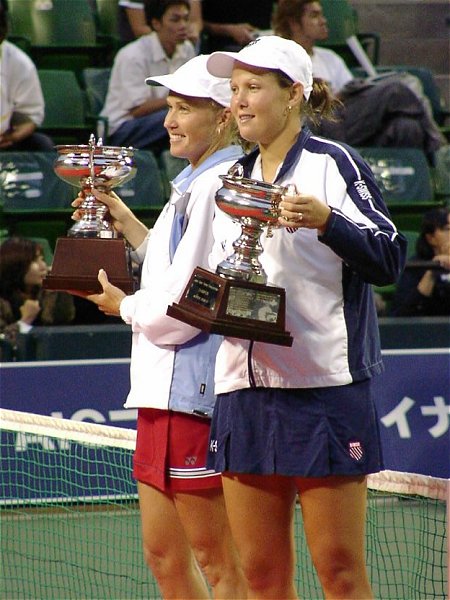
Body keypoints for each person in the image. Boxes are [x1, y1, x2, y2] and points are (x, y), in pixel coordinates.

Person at [205, 35, 407, 598]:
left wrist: (327, 222)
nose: (239, 100)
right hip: (243, 391)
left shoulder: (334, 164)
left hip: (324, 390)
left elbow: (390, 257)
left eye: (253, 87)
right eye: (235, 89)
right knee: (261, 576)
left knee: (339, 573)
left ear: (293, 94)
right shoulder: (231, 178)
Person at [72, 55, 246, 598]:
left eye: (184, 109)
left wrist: (124, 306)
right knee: (164, 556)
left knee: (219, 563)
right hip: (158, 396)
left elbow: (188, 304)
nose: (169, 121)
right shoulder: (191, 184)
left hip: (193, 397)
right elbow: (172, 269)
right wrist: (125, 221)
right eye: (169, 107)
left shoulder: (221, 187)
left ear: (223, 116)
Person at [272, 0, 444, 164]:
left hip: (347, 120)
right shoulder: (282, 58)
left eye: (322, 15)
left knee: (407, 127)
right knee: (396, 91)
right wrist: (325, 95)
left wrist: (345, 93)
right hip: (317, 125)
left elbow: (353, 99)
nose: (323, 21)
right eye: (314, 16)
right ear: (294, 24)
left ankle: (407, 181)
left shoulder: (330, 58)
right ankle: (440, 149)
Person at [100, 0, 196, 151]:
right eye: (175, 20)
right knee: (179, 117)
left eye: (186, 19)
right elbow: (137, 110)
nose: (183, 25)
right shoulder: (132, 55)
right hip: (122, 128)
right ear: (156, 24)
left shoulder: (187, 49)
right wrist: (180, 98)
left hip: (162, 119)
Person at [0, 237, 75, 356]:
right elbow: (3, 348)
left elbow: (59, 326)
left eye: (42, 259)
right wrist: (25, 321)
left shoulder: (48, 293)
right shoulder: (2, 302)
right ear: (15, 266)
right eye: (35, 261)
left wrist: (57, 286)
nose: (43, 266)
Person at [0, 0, 54, 151]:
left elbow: (29, 118)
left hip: (4, 141)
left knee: (42, 144)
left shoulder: (19, 63)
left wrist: (12, 137)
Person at [390, 207, 450, 316]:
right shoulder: (416, 266)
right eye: (448, 229)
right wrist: (432, 271)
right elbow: (402, 316)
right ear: (431, 238)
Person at [201, 0, 277, 52]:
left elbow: (283, 8)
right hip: (223, 47)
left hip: (266, 44)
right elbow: (198, 23)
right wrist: (228, 30)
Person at [117, 0, 203, 46]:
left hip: (182, 46)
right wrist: (174, 34)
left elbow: (195, 22)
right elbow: (139, 29)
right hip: (143, 47)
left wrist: (191, 32)